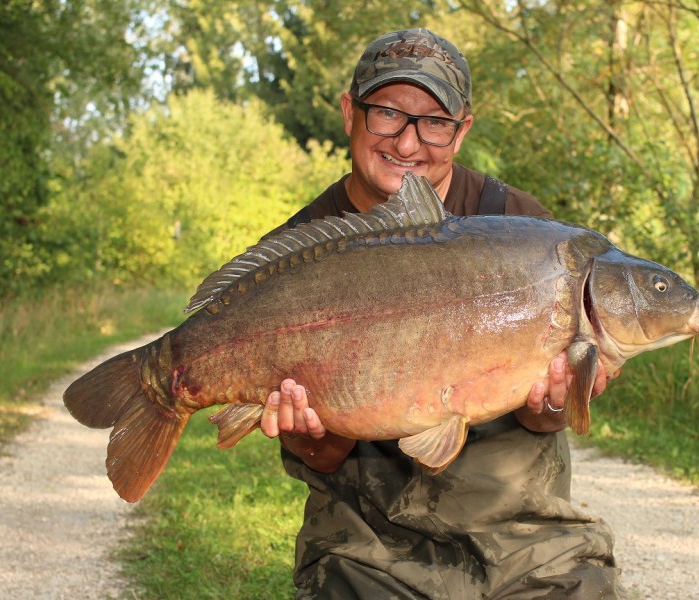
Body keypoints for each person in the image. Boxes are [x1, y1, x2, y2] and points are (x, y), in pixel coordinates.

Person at [259, 28, 623, 599]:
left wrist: (557, 403)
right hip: (368, 547)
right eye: (388, 114)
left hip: (520, 538)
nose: (408, 145)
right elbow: (322, 456)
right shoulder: (304, 251)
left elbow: (544, 422)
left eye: (435, 122)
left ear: (463, 129)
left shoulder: (526, 232)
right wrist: (309, 433)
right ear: (349, 112)